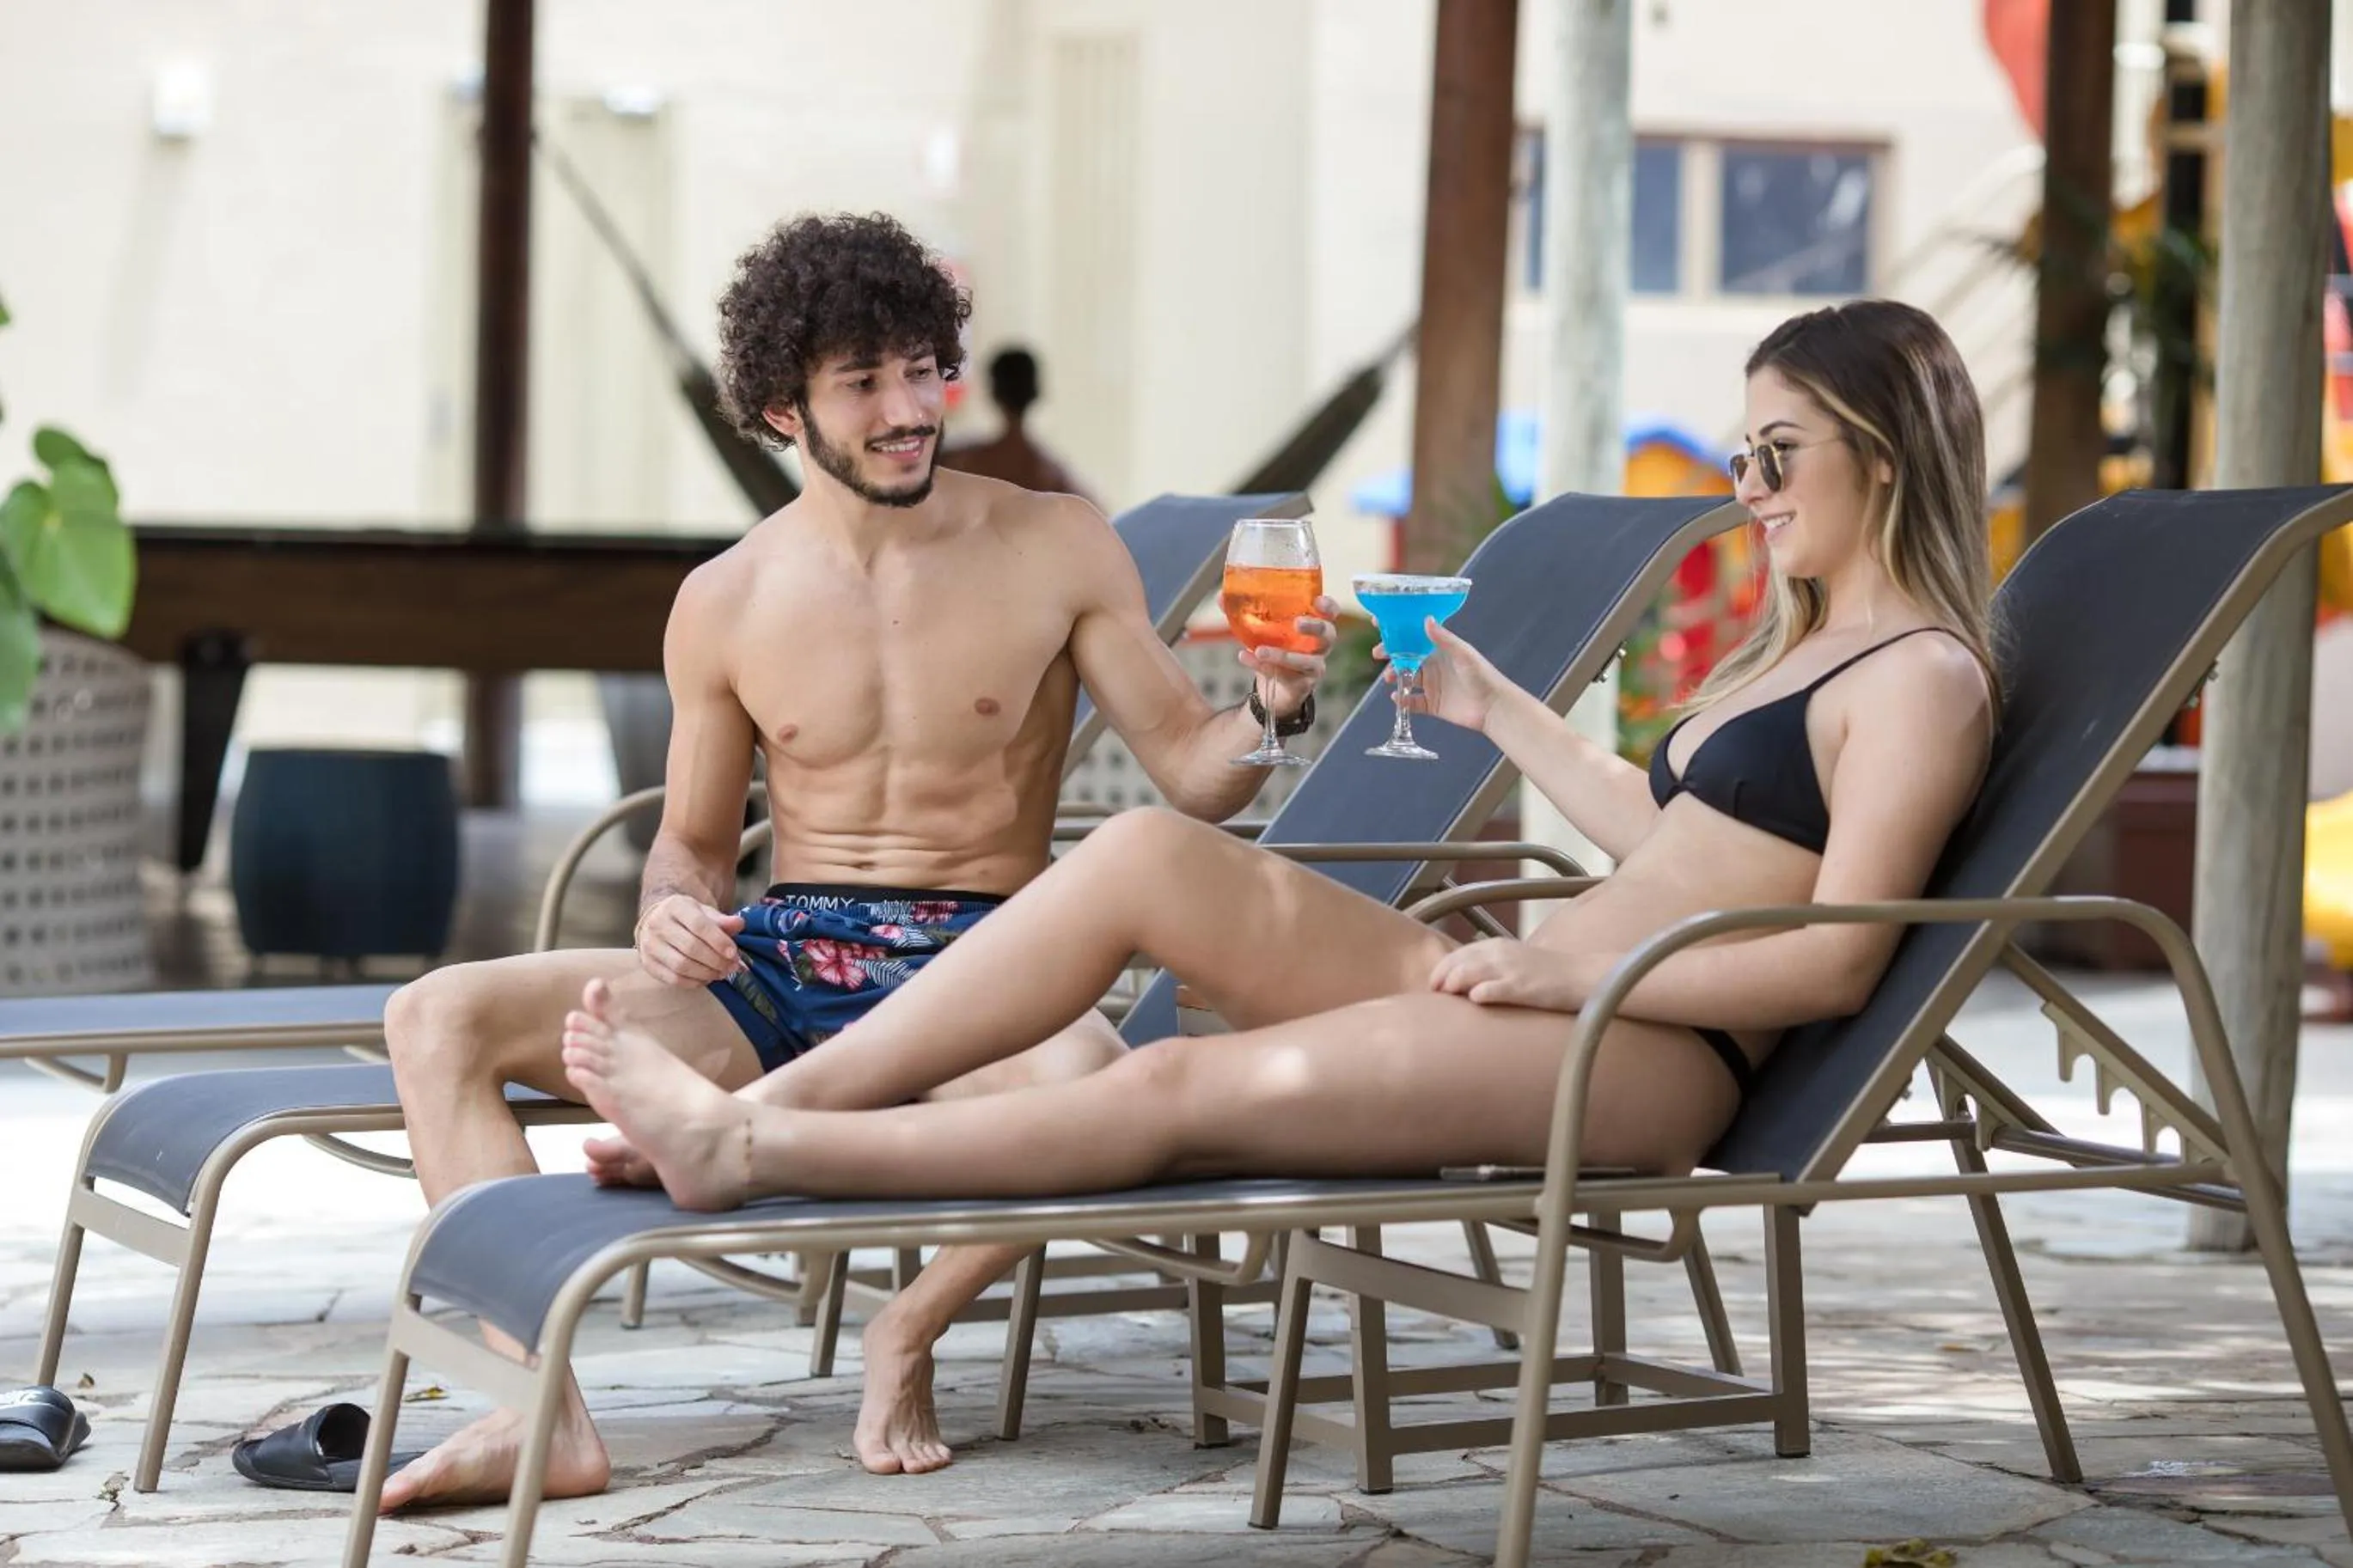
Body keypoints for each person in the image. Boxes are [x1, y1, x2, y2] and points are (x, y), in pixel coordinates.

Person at [555, 294, 2002, 1293]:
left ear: (1877, 453)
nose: (1747, 486)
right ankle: (775, 1095)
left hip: (1640, 1048)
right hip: (1537, 982)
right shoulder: (1803, 650)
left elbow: (1833, 958)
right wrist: (1497, 710)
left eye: (1775, 453)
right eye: (1742, 452)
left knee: (1172, 1080)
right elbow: (1669, 837)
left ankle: (754, 1141)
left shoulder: (1918, 680)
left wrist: (1578, 980)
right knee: (1141, 851)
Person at [371, 210, 1336, 1510]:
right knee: (436, 1015)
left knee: (1098, 1084)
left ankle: (908, 1322)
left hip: (994, 963)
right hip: (784, 965)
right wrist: (670, 914)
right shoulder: (724, 598)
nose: (909, 410)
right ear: (782, 409)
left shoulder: (1056, 543)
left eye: (924, 369)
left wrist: (1271, 711)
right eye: (863, 382)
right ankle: (529, 1408)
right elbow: (695, 847)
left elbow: (1191, 772)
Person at [937, 345, 1097, 503]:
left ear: (994, 391)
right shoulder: (1050, 475)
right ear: (1035, 391)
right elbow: (1098, 515)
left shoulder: (958, 461)